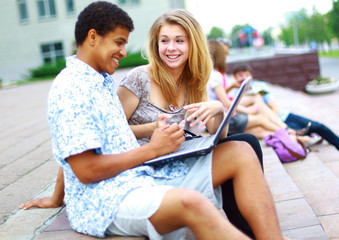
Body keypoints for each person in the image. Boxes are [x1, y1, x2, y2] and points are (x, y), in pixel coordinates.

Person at [20, 4, 286, 239]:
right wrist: (153, 147)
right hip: (111, 195)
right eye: (119, 43)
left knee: (242, 149)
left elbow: (78, 147)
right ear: (93, 38)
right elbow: (83, 166)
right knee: (194, 203)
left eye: (180, 41)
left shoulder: (99, 82)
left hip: (142, 174)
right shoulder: (72, 88)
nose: (124, 52)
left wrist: (216, 110)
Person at [117, 9, 285, 239]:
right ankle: (249, 232)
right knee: (243, 146)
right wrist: (152, 128)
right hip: (147, 163)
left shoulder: (192, 80)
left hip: (175, 154)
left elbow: (220, 135)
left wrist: (218, 110)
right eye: (164, 41)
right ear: (156, 45)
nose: (171, 48)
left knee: (246, 141)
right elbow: (111, 133)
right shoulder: (139, 79)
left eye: (179, 40)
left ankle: (248, 230)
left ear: (192, 44)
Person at [232, 64, 339, 150]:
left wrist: (275, 120)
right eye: (240, 75)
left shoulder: (260, 86)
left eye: (246, 74)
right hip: (269, 124)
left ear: (251, 76)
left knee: (317, 126)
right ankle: (310, 136)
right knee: (298, 130)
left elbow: (273, 104)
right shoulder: (235, 94)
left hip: (281, 116)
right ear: (235, 78)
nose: (243, 78)